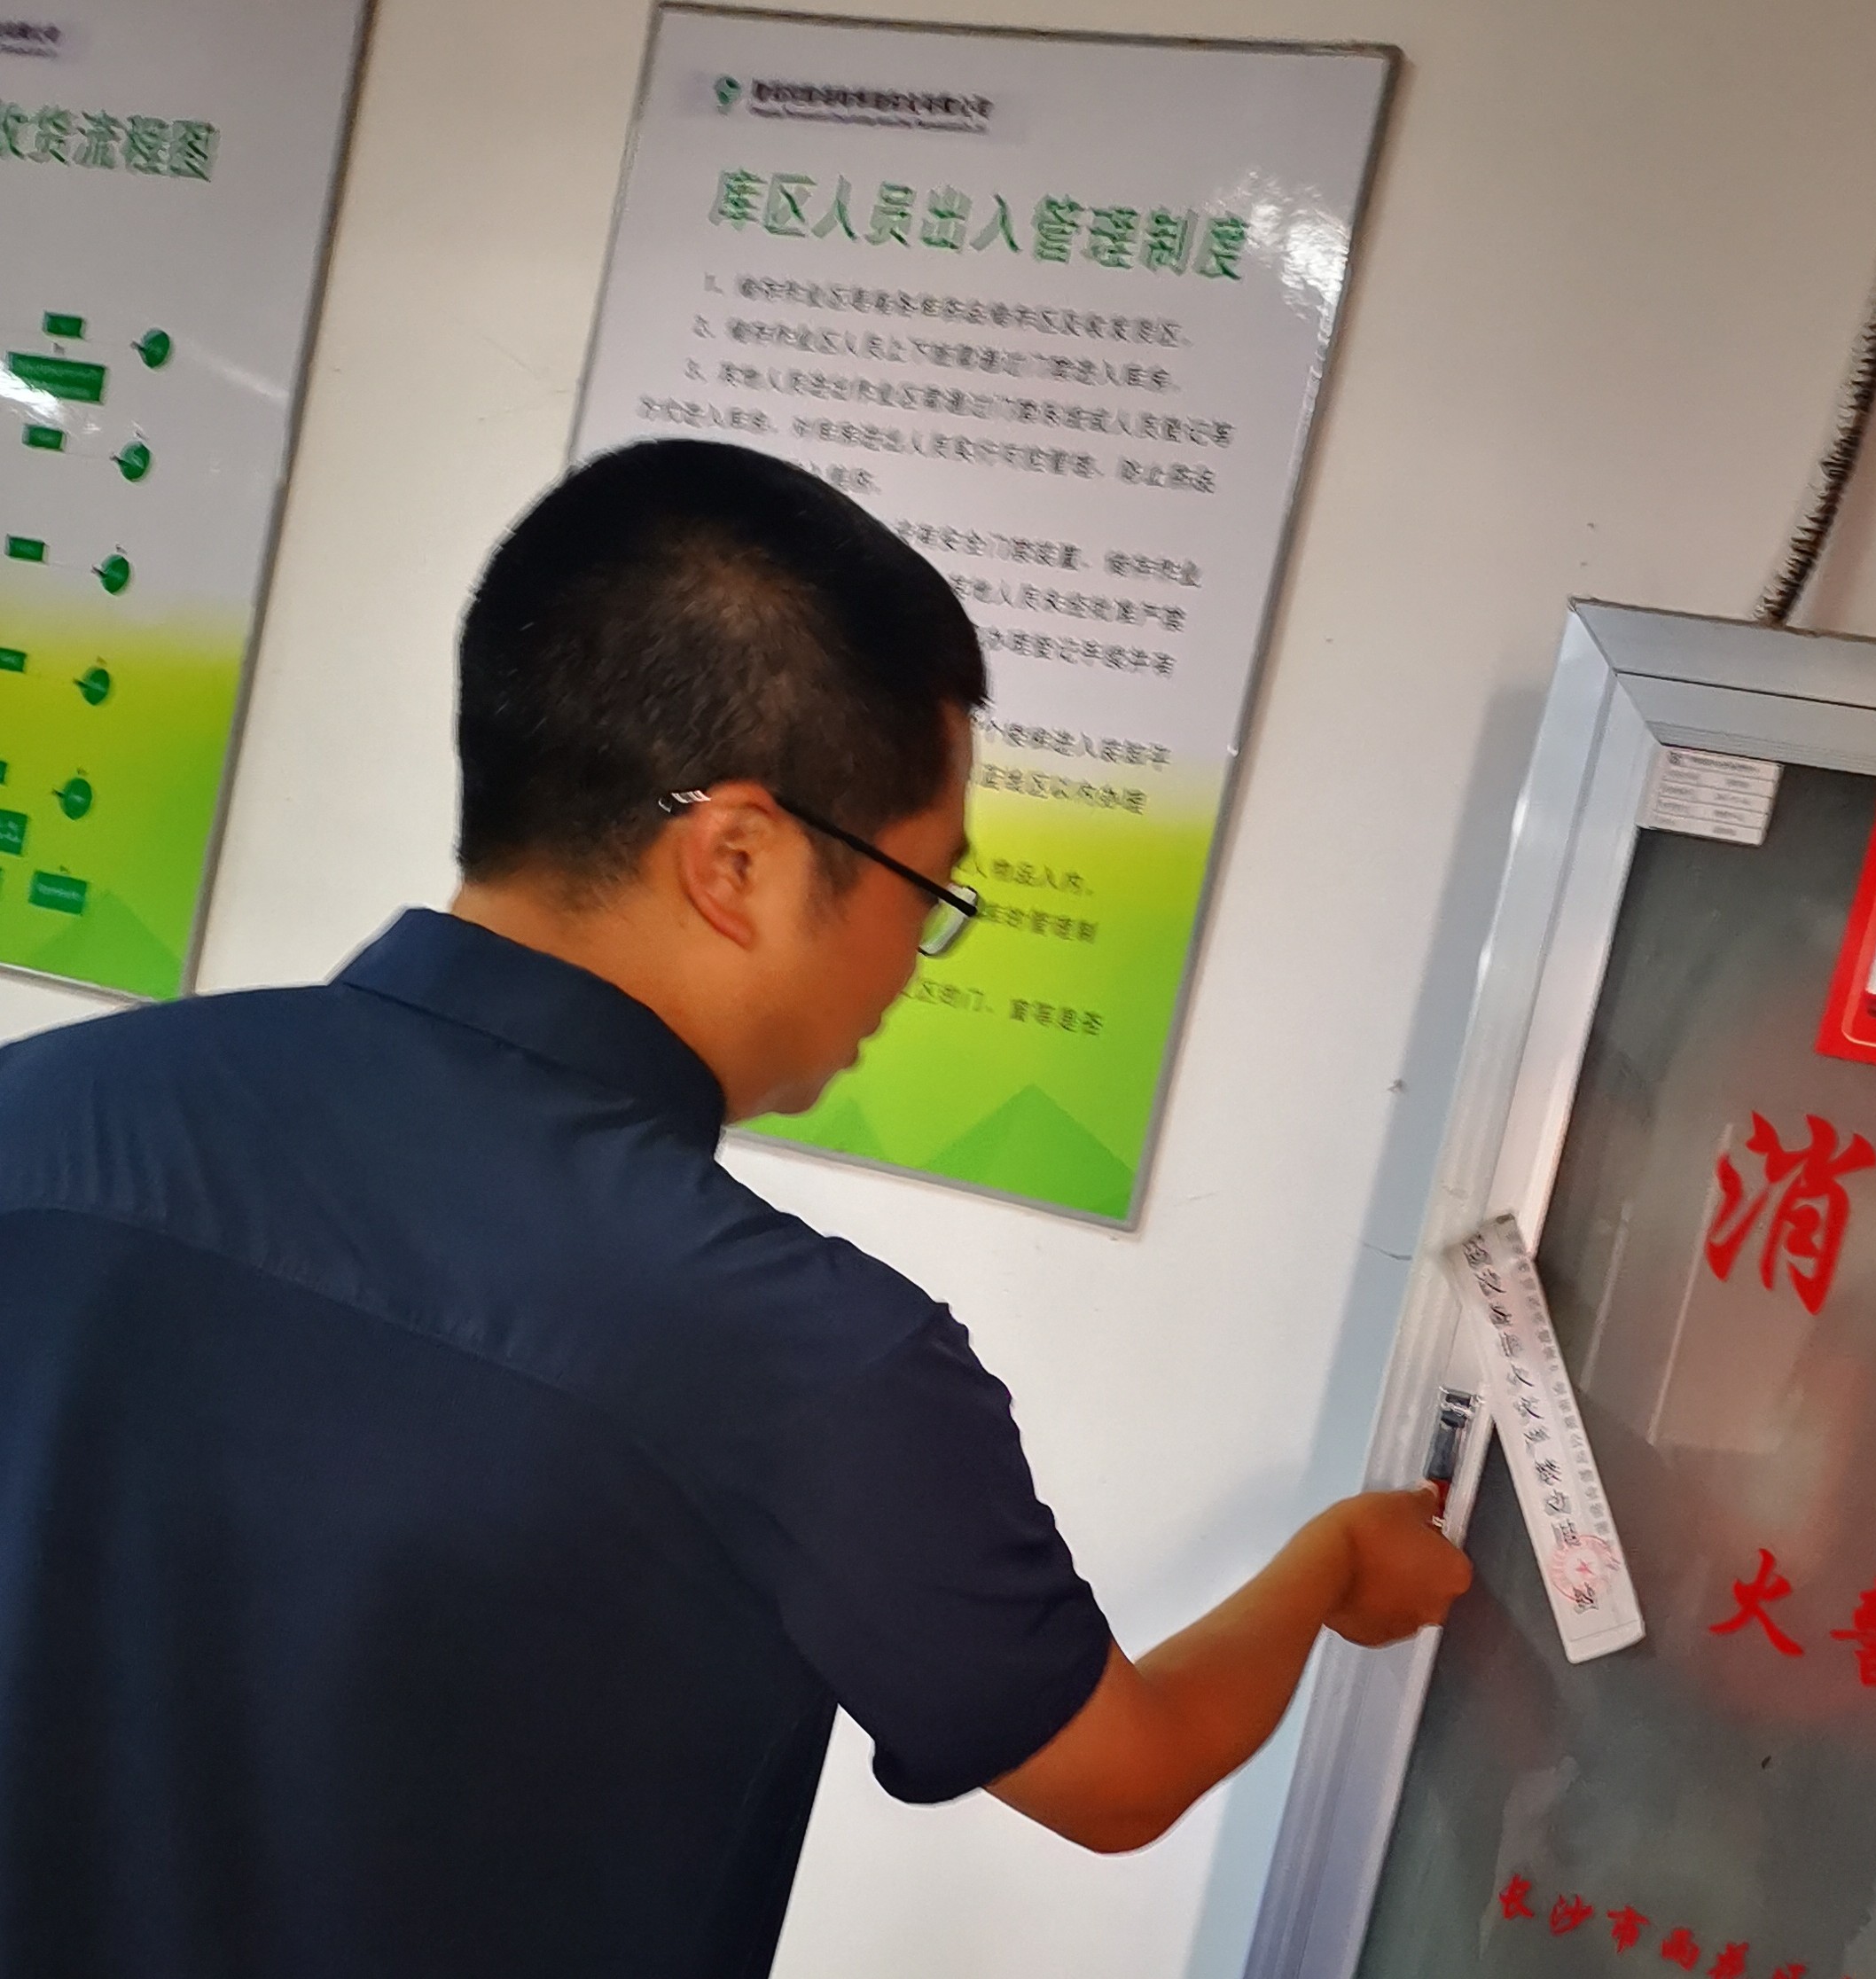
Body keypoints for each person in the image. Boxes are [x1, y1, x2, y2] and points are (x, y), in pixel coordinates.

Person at [0, 440, 1471, 1978]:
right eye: (929, 891)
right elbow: (1122, 1776)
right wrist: (1332, 1570)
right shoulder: (810, 1360)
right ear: (740, 859)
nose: (913, 960)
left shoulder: (38, 1111)